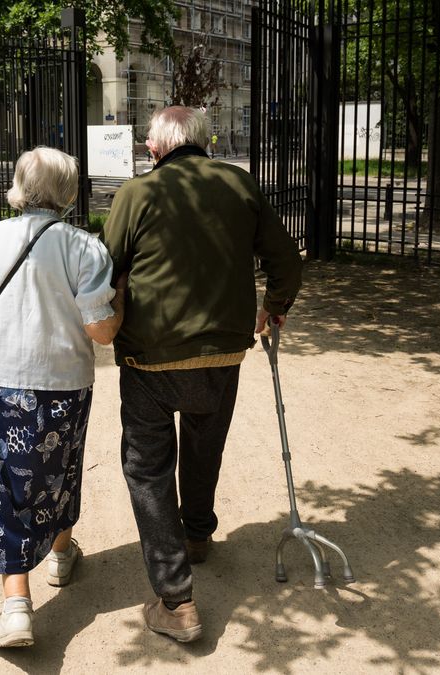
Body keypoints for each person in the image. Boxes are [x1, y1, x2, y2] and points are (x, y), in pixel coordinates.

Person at [102, 107, 302, 643]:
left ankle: (176, 600)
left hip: (150, 353)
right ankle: (196, 534)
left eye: (148, 141)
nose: (146, 147)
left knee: (147, 467)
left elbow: (107, 267)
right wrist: (274, 303)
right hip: (222, 351)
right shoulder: (240, 184)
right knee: (204, 443)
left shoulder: (136, 194)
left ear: (161, 146)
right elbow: (286, 259)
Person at [0, 147, 124, 648]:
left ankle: (16, 608)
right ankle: (61, 555)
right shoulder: (84, 248)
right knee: (62, 469)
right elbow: (102, 332)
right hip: (66, 382)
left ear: (18, 186)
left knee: (2, 484)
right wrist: (121, 307)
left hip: (4, 381)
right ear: (69, 194)